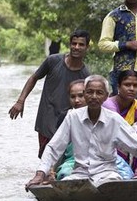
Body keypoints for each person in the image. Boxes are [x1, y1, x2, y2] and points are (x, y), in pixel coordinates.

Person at [25, 75, 137, 190]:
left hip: (107, 174)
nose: (94, 97)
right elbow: (53, 147)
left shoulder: (114, 120)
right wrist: (40, 173)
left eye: (99, 93)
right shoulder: (73, 117)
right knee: (65, 184)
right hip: (80, 173)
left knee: (112, 185)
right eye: (90, 92)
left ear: (106, 96)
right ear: (85, 94)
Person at [8, 30, 91, 158]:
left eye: (81, 44)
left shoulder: (86, 75)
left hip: (67, 122)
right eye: (74, 43)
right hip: (46, 119)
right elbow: (33, 78)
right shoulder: (53, 61)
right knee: (46, 158)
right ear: (69, 44)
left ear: (87, 47)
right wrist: (20, 101)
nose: (76, 47)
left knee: (63, 159)